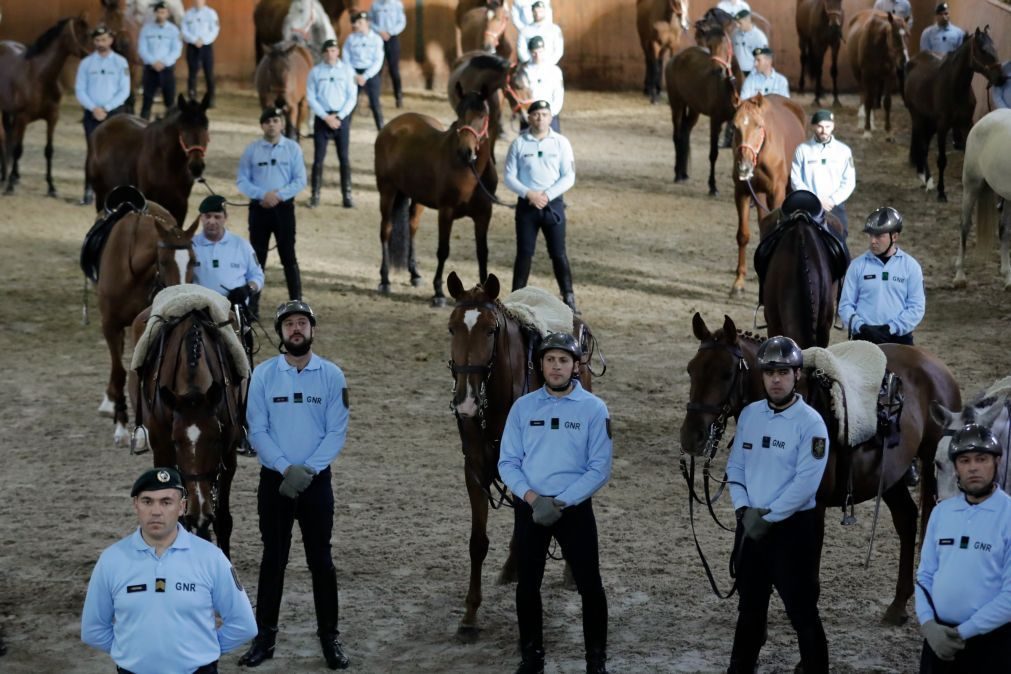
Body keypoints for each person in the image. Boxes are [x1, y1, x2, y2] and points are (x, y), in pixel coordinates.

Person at [238, 300, 351, 670]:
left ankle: (329, 638)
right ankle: (264, 639)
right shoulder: (264, 375)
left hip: (316, 484)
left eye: (302, 322)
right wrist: (286, 469)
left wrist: (309, 471)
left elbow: (337, 431)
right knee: (273, 560)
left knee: (321, 561)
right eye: (289, 324)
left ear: (312, 330)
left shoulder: (332, 375)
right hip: (275, 483)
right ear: (281, 332)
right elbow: (257, 429)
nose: (296, 329)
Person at [498, 332, 613, 674]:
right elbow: (508, 463)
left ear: (576, 366)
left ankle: (596, 661)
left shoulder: (594, 409)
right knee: (528, 584)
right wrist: (534, 499)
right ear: (541, 364)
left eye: (563, 360)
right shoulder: (522, 407)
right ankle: (531, 657)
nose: (556, 366)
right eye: (550, 360)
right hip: (531, 508)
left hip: (573, 510)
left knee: (590, 585)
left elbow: (599, 468)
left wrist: (561, 501)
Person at [81, 467, 257, 673]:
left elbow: (243, 625)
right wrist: (131, 655)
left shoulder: (211, 558)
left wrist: (203, 653)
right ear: (135, 505)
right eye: (147, 501)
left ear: (182, 507)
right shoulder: (112, 560)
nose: (156, 511)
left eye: (166, 502)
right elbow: (93, 629)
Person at [726, 336, 830, 674]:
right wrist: (743, 510)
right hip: (752, 524)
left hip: (792, 531)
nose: (775, 379)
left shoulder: (811, 424)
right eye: (769, 372)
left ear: (797, 374)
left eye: (783, 372)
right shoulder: (749, 416)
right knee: (750, 607)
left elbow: (805, 484)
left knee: (802, 612)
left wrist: (768, 516)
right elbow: (735, 467)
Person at [915, 424, 1011, 673]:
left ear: (996, 462)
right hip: (937, 640)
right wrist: (928, 625)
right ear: (956, 467)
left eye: (982, 459)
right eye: (965, 460)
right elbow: (924, 576)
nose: (973, 467)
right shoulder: (941, 513)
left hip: (992, 644)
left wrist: (961, 633)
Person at [504, 100, 578, 313]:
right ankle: (515, 298)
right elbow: (509, 176)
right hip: (527, 206)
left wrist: (547, 195)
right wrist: (529, 194)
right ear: (529, 118)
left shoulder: (561, 143)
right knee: (524, 253)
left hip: (552, 206)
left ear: (551, 117)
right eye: (536, 114)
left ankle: (569, 296)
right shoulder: (519, 143)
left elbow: (569, 176)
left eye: (545, 114)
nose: (540, 118)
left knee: (558, 253)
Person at [236, 107, 307, 302]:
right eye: (267, 121)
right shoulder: (252, 150)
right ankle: (253, 305)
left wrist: (279, 196)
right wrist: (263, 195)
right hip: (259, 209)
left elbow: (300, 180)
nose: (272, 125)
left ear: (282, 124)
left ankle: (297, 300)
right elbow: (242, 180)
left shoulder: (293, 149)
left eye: (276, 120)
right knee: (257, 258)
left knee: (288, 256)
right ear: (262, 125)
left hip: (284, 209)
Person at [838, 207, 925, 345]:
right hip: (863, 338)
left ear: (894, 237)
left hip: (899, 339)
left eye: (879, 236)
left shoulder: (911, 267)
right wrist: (861, 327)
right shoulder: (857, 265)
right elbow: (845, 305)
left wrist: (891, 328)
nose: (873, 240)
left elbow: (916, 307)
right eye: (871, 235)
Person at [75, 24, 131, 206]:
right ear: (93, 41)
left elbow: (125, 90)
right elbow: (80, 89)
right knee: (93, 152)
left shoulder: (121, 63)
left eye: (104, 40)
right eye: (98, 40)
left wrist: (107, 107)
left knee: (117, 154)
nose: (101, 43)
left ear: (111, 40)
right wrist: (94, 108)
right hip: (92, 114)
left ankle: (118, 192)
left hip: (114, 113)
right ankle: (88, 190)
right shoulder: (86, 64)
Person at [306, 38, 358, 209]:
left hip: (341, 119)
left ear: (338, 52)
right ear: (323, 53)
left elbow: (352, 97)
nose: (331, 54)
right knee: (318, 159)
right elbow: (311, 96)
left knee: (344, 158)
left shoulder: (347, 71)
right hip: (322, 120)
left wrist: (340, 116)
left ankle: (347, 195)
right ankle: (315, 194)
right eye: (327, 51)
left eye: (333, 50)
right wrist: (325, 117)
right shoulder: (315, 72)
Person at [192, 194, 265, 315]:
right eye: (207, 216)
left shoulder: (242, 245)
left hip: (235, 311)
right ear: (201, 218)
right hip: (200, 312)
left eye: (217, 217)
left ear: (225, 218)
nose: (211, 221)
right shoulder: (191, 245)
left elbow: (257, 276)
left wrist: (247, 290)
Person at [790, 109, 855, 242]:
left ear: (833, 126)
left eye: (827, 126)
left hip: (835, 207)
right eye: (820, 126)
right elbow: (795, 179)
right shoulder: (802, 150)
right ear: (813, 126)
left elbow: (849, 181)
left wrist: (832, 200)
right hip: (808, 206)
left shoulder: (844, 151)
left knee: (841, 243)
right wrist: (814, 199)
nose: (824, 130)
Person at [138, 0, 183, 120]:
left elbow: (176, 50)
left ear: (167, 14)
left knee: (170, 103)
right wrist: (153, 62)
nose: (161, 15)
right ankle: (143, 128)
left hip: (167, 70)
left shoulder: (174, 30)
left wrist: (163, 62)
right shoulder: (146, 29)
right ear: (155, 13)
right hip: (150, 70)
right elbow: (142, 49)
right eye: (158, 12)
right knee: (147, 102)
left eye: (163, 12)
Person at [342, 11, 385, 131]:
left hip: (371, 74)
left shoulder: (376, 39)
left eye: (360, 22)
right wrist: (354, 75)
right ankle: (344, 130)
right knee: (350, 103)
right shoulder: (350, 39)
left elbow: (378, 61)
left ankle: (381, 130)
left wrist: (365, 76)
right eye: (357, 22)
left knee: (375, 104)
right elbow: (346, 58)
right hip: (354, 73)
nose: (357, 25)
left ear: (368, 23)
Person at [368, 0, 406, 108]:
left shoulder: (397, 4)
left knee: (394, 70)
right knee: (377, 70)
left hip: (392, 38)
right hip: (378, 39)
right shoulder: (375, 4)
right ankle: (374, 99)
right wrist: (380, 31)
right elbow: (370, 21)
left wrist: (390, 32)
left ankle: (398, 97)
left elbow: (402, 22)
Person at [181, 0, 219, 106]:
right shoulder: (188, 14)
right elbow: (184, 30)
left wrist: (204, 40)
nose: (198, 2)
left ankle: (211, 98)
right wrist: (194, 40)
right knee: (192, 73)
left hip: (206, 46)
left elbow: (215, 30)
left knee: (209, 73)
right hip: (192, 47)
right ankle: (192, 97)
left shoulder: (211, 13)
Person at [524, 36, 564, 132]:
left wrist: (550, 114)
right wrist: (527, 114)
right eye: (534, 52)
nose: (537, 55)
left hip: (549, 115)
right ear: (529, 52)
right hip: (530, 115)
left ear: (544, 50)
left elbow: (558, 95)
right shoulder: (524, 70)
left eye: (540, 52)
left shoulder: (554, 70)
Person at [517, 1, 564, 66]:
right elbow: (521, 51)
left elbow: (558, 51)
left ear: (545, 11)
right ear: (532, 12)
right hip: (530, 67)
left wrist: (547, 64)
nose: (538, 14)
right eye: (535, 11)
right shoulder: (524, 31)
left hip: (549, 67)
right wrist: (531, 64)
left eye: (540, 11)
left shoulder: (555, 29)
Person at [731, 10, 768, 78]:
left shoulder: (759, 37)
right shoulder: (735, 33)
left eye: (739, 23)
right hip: (736, 72)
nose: (737, 25)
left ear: (747, 21)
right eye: (736, 23)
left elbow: (763, 58)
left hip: (752, 73)